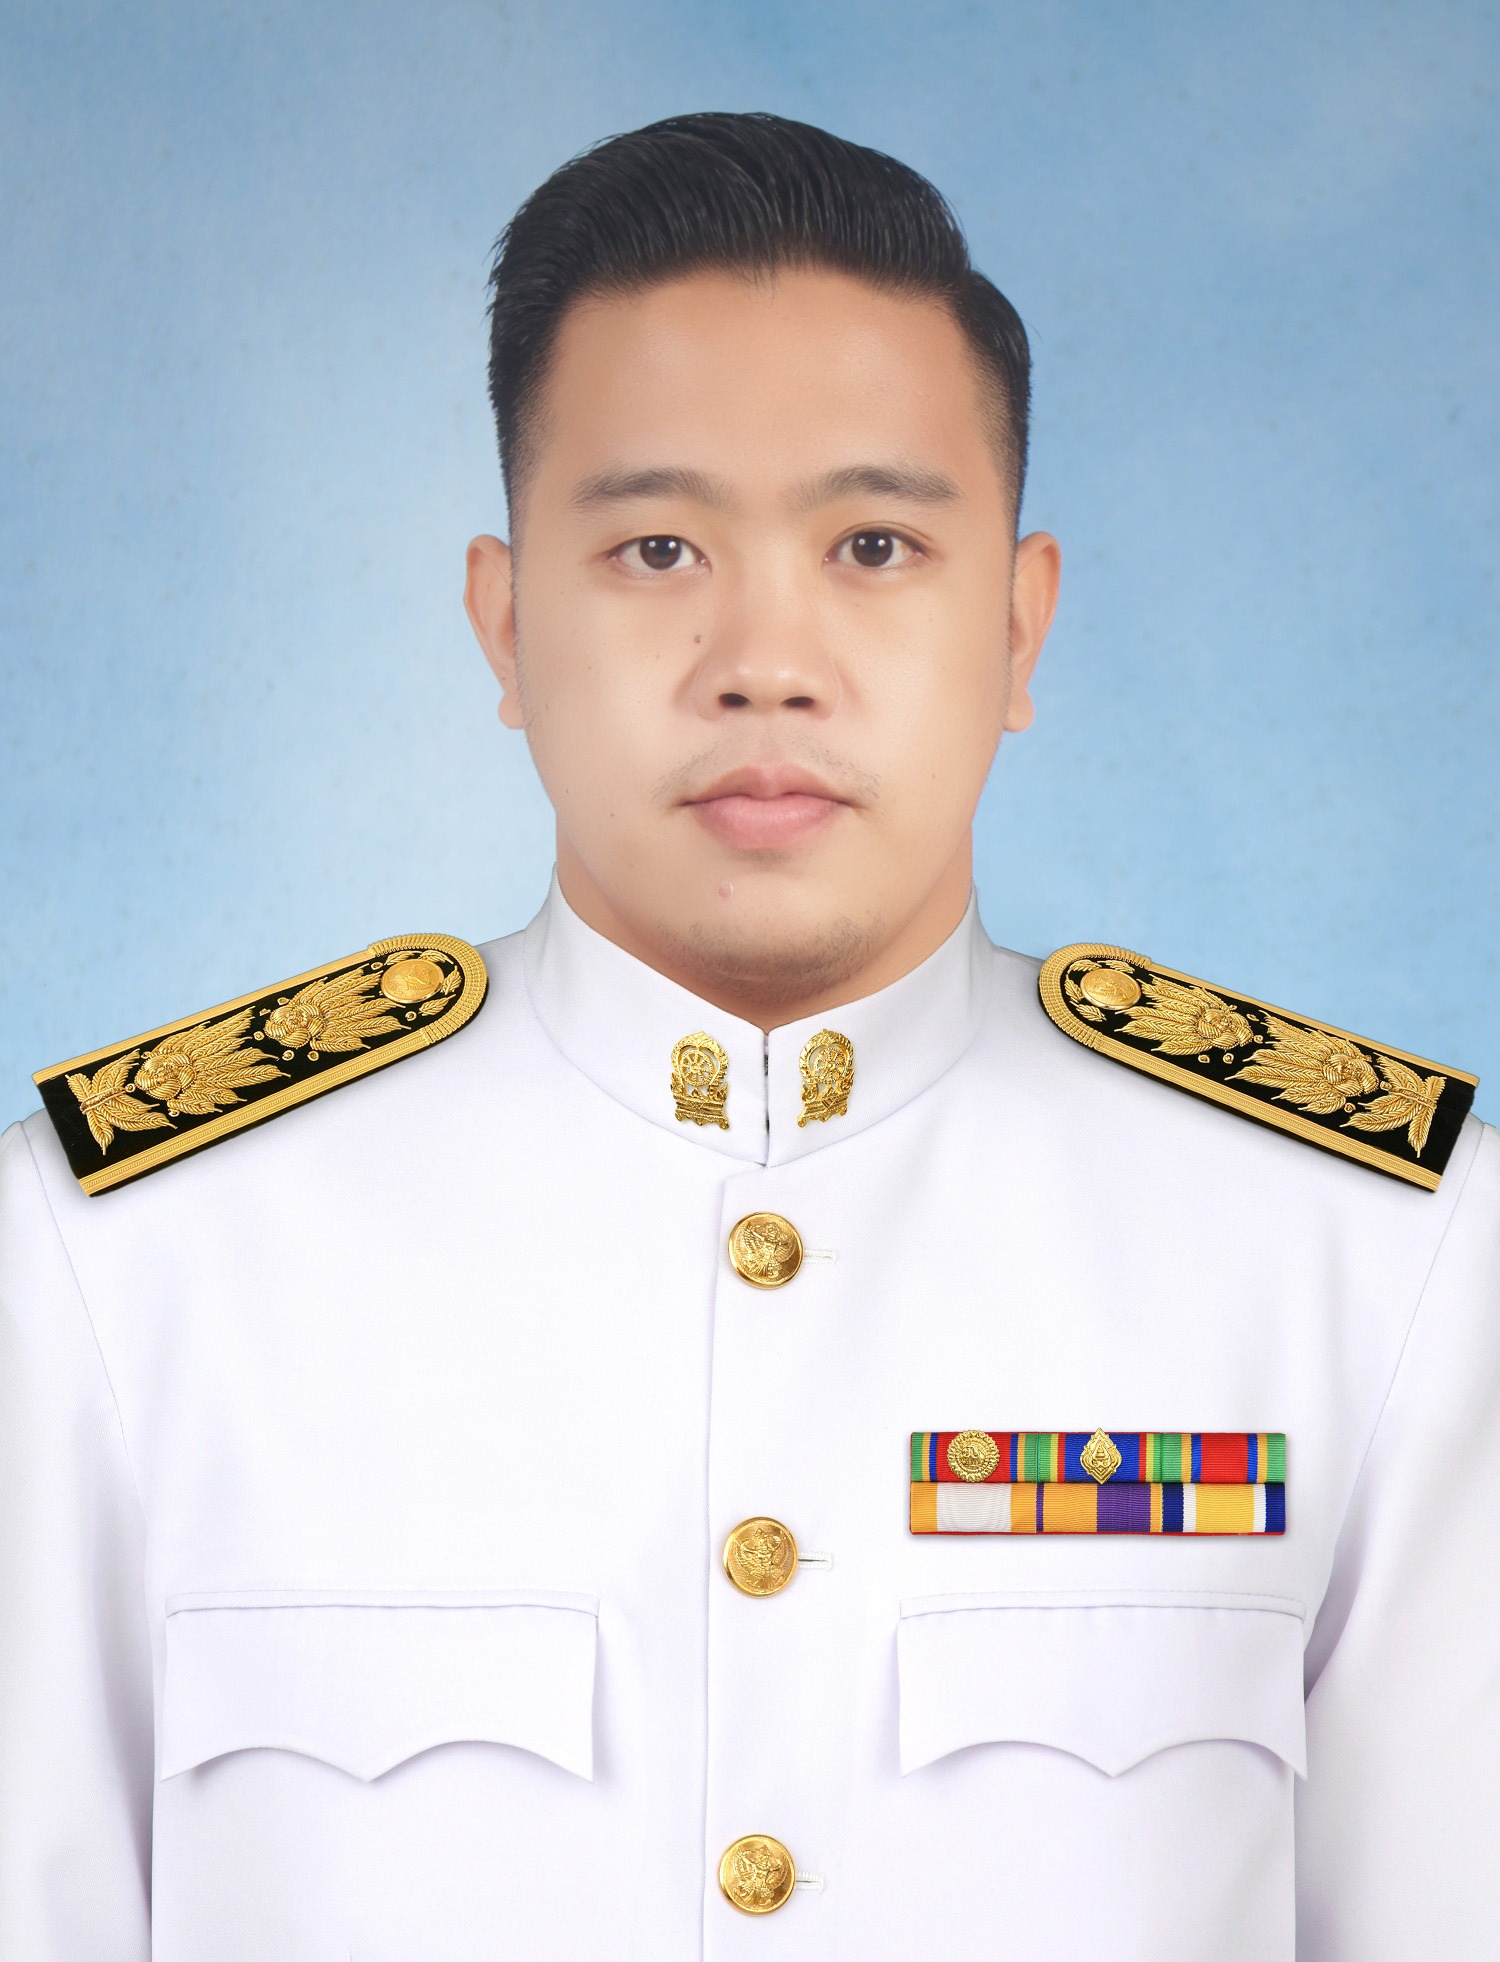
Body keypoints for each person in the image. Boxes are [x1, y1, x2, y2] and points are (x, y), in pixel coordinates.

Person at [1, 110, 1494, 1960]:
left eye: (874, 543)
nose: (765, 661)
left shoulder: (1379, 1254)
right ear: (503, 622)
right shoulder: (120, 1259)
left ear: (1020, 625)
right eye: (655, 549)